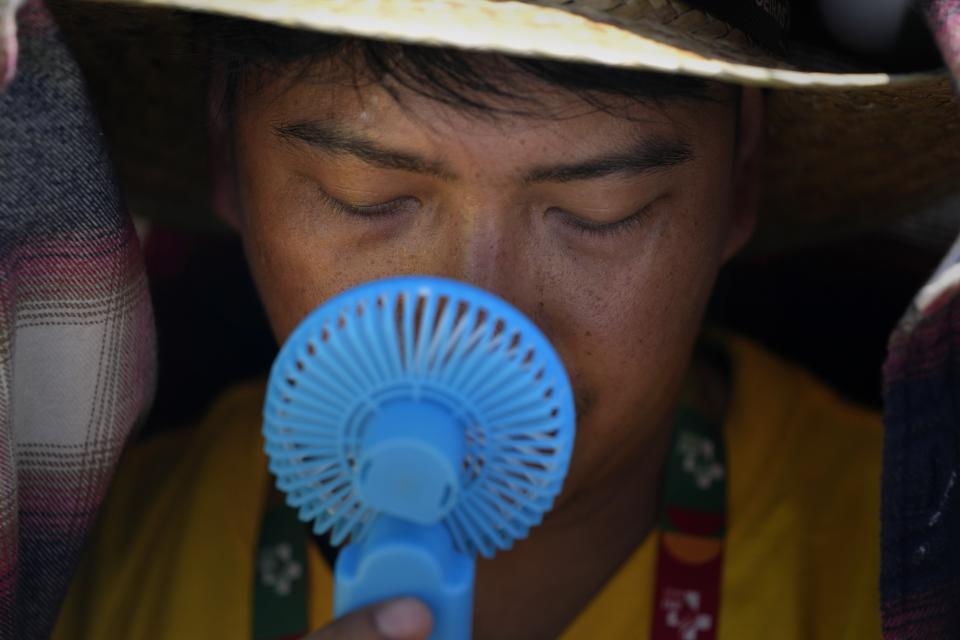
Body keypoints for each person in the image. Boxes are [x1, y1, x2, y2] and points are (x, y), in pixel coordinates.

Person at [45, 1, 960, 639]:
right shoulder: (77, 576)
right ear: (228, 156)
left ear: (740, 179)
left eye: (603, 209)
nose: (478, 320)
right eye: (366, 197)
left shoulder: (918, 569)